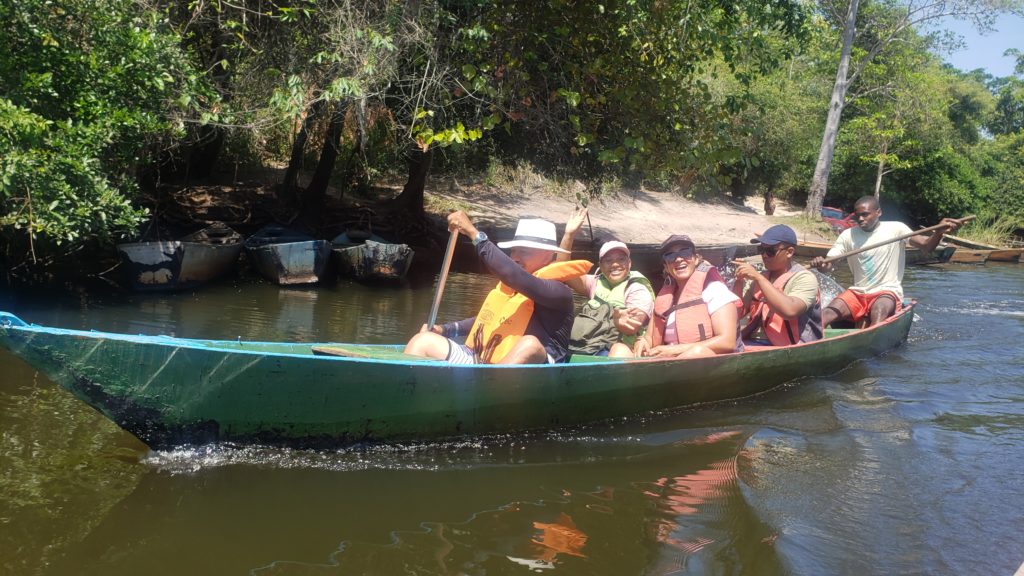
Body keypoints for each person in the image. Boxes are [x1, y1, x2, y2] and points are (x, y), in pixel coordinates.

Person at [404, 211, 591, 364]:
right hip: (486, 360)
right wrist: (446, 329)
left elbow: (513, 275)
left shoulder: (558, 291)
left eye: (523, 251)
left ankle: (484, 393)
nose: (515, 257)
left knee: (530, 345)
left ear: (548, 256)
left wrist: (474, 234)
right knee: (423, 340)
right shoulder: (513, 290)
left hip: (538, 366)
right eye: (513, 251)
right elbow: (488, 320)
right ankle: (405, 392)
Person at [810, 195, 962, 327]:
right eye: (857, 215)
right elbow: (828, 265)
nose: (861, 219)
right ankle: (808, 342)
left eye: (865, 214)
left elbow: (927, 246)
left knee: (879, 310)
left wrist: (938, 233)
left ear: (879, 212)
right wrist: (821, 264)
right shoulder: (847, 235)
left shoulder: (896, 229)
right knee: (827, 313)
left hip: (887, 291)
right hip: (858, 292)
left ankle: (869, 343)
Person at [557, 208, 655, 358]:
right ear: (601, 266)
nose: (615, 264)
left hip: (618, 351)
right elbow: (561, 270)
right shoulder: (595, 283)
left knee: (618, 351)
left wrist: (618, 321)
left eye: (621, 259)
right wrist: (569, 235)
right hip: (588, 347)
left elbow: (632, 326)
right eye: (608, 260)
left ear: (629, 263)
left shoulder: (637, 289)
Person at [634, 234, 741, 358]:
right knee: (619, 348)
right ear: (666, 267)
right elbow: (649, 339)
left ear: (696, 259)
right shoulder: (664, 299)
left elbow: (727, 342)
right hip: (668, 363)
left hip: (705, 362)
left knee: (696, 353)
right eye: (670, 256)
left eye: (685, 252)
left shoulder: (715, 290)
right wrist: (642, 342)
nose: (678, 259)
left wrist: (675, 350)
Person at [732, 224, 822, 346]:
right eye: (761, 250)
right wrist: (739, 281)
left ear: (789, 252)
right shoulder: (761, 277)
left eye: (770, 251)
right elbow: (736, 314)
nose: (764, 255)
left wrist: (758, 278)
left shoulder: (805, 278)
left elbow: (789, 311)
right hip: (752, 341)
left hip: (789, 346)